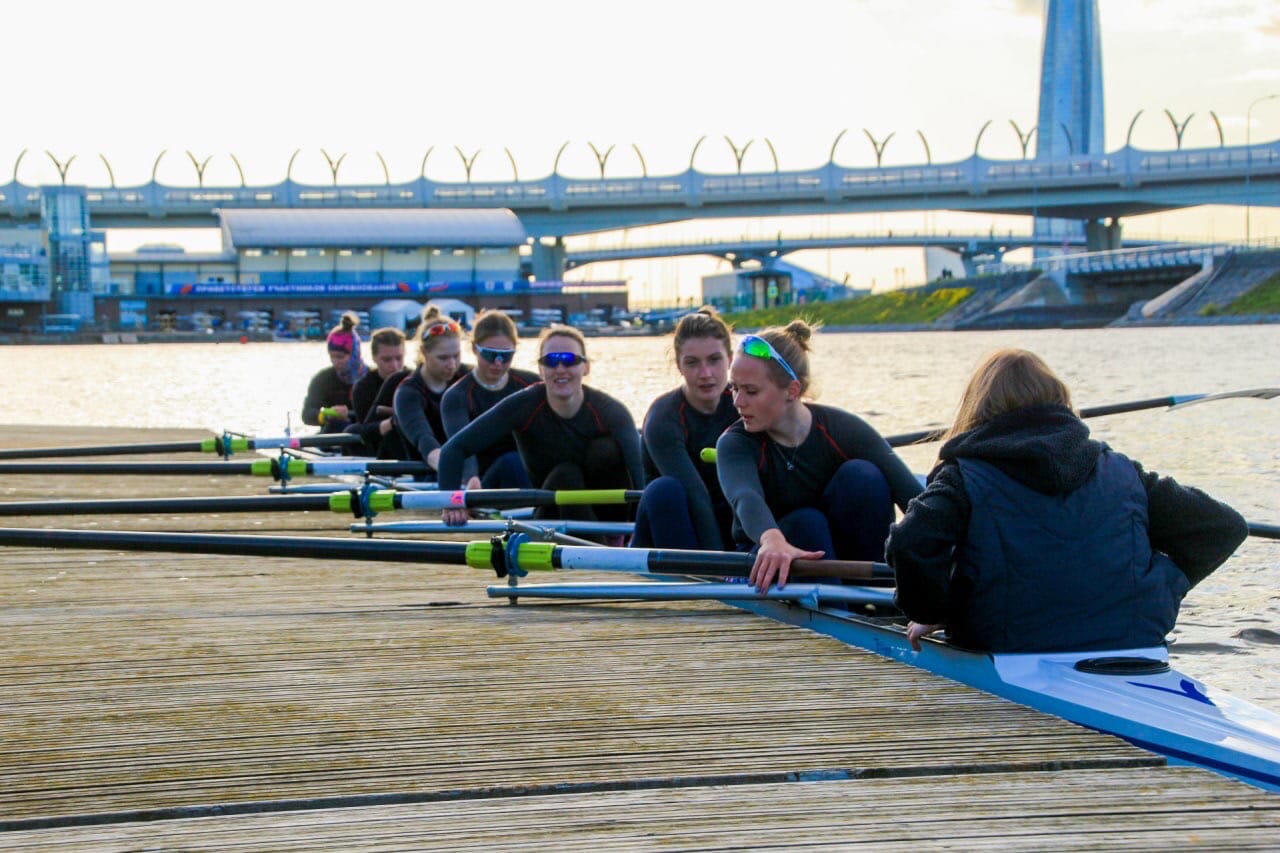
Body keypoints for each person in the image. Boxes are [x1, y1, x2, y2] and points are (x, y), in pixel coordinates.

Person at [885, 348, 1248, 654]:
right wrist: (1166, 588)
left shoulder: (963, 476)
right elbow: (1223, 528)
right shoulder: (1122, 471)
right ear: (1059, 400)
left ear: (977, 409)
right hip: (1133, 640)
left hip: (1008, 645)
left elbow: (910, 542)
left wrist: (934, 610)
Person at [715, 320, 922, 590]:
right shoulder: (734, 443)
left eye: (750, 391)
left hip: (836, 558)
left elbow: (914, 498)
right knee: (806, 522)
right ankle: (844, 611)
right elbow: (746, 497)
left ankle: (878, 597)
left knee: (864, 476)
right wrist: (770, 538)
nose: (737, 402)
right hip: (767, 558)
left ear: (792, 390)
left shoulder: (843, 428)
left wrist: (953, 544)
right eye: (734, 387)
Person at [437, 324, 644, 528]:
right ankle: (602, 548)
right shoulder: (524, 405)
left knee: (605, 450)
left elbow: (640, 479)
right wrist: (452, 503)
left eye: (569, 360)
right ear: (541, 369)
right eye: (551, 361)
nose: (560, 369)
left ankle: (614, 538)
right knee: (566, 475)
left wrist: (641, 531)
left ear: (586, 367)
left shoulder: (611, 411)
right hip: (551, 509)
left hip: (611, 516)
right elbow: (452, 450)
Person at [632, 307, 739, 550]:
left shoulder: (745, 406)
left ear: (730, 360)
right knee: (665, 489)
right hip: (671, 530)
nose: (705, 374)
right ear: (679, 366)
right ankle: (695, 580)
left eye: (714, 360)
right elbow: (696, 497)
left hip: (729, 524)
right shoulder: (664, 417)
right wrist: (721, 573)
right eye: (692, 363)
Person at [440, 309, 539, 491]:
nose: (498, 363)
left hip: (528, 475)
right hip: (482, 483)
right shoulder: (457, 396)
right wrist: (471, 478)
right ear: (474, 349)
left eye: (506, 355)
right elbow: (460, 448)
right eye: (490, 355)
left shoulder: (531, 383)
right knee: (512, 461)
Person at [392, 307, 470, 472]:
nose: (452, 365)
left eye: (456, 356)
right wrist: (453, 471)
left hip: (469, 468)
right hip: (423, 473)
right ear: (424, 353)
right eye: (443, 358)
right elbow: (424, 439)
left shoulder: (468, 377)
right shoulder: (407, 393)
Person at [344, 326, 408, 456]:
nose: (395, 366)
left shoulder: (415, 379)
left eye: (399, 358)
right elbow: (366, 430)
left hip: (413, 441)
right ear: (374, 357)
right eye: (387, 360)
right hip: (379, 444)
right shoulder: (363, 387)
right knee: (351, 430)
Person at [301, 312, 366, 432]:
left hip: (364, 434)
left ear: (355, 355)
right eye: (332, 357)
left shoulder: (370, 378)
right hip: (333, 433)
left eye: (340, 357)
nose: (335, 362)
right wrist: (328, 413)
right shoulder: (322, 378)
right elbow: (307, 414)